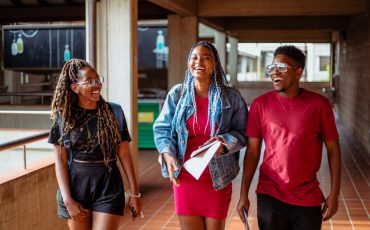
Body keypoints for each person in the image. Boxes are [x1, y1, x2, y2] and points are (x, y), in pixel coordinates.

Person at [237, 45, 341, 230]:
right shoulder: (260, 105)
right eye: (271, 68)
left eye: (282, 68)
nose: (274, 72)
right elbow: (252, 152)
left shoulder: (320, 105)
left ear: (298, 72)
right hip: (269, 194)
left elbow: (333, 150)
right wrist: (243, 194)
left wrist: (334, 194)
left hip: (307, 196)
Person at [153, 41, 248, 230]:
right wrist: (166, 151)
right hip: (186, 176)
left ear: (215, 65)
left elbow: (243, 132)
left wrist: (225, 141)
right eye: (194, 57)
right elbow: (162, 128)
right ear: (189, 62)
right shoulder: (177, 94)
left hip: (217, 177)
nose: (199, 62)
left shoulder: (231, 97)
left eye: (206, 58)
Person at [48, 59, 142, 229]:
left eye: (98, 79)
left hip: (108, 184)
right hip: (76, 186)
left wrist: (135, 193)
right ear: (74, 87)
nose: (97, 84)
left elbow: (124, 154)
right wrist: (68, 200)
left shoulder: (114, 112)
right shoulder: (63, 116)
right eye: (89, 81)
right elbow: (60, 161)